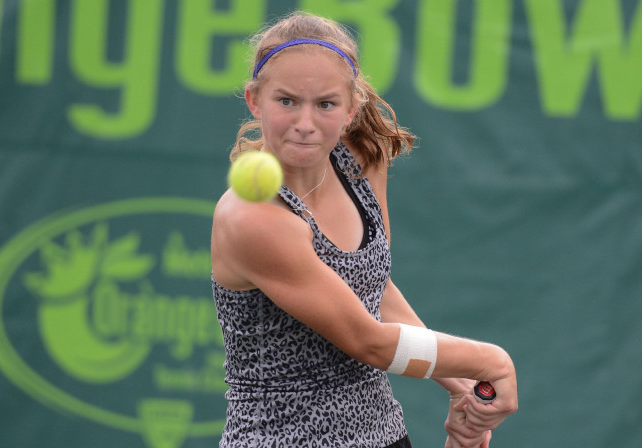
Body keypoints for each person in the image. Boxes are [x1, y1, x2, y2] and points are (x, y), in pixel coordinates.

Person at [210, 11, 517, 448]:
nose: (305, 122)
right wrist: (491, 362)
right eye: (286, 101)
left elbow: (372, 290)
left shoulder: (361, 160)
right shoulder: (252, 217)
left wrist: (461, 384)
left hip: (384, 435)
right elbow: (367, 340)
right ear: (254, 100)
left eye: (326, 104)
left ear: (351, 110)